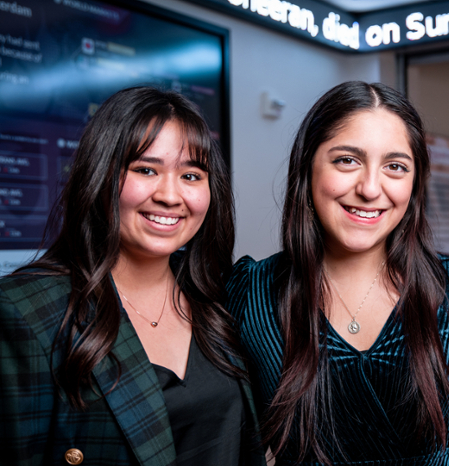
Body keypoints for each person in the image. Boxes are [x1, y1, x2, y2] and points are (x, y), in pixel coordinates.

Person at [226, 81, 449, 465]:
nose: (369, 188)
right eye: (347, 160)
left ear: (415, 183)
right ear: (307, 166)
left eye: (395, 167)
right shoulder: (251, 294)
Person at [0, 87, 265, 466]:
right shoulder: (25, 311)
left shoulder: (218, 299)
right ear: (101, 173)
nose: (171, 196)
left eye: (191, 175)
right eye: (146, 170)